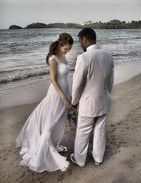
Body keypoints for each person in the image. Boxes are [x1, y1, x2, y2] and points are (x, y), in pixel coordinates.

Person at [16, 33, 74, 172]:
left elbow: (65, 78)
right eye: (66, 49)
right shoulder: (53, 59)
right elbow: (53, 80)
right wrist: (63, 97)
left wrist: (69, 94)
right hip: (56, 94)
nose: (68, 51)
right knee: (52, 121)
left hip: (65, 92)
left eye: (69, 49)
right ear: (60, 45)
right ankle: (43, 150)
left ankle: (53, 143)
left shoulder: (63, 57)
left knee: (59, 121)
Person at [70, 28, 114, 167]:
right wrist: (107, 94)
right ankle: (98, 159)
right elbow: (110, 80)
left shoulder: (83, 57)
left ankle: (80, 160)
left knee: (83, 131)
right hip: (104, 99)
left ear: (85, 39)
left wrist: (74, 102)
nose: (80, 45)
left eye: (80, 41)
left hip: (88, 102)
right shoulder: (108, 55)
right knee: (100, 129)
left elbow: (77, 84)